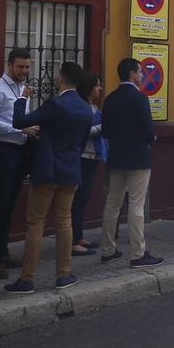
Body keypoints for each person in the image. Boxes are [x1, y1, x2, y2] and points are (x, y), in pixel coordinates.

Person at [4, 62, 95, 293]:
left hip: (47, 170)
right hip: (71, 170)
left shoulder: (55, 104)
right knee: (64, 221)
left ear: (61, 78)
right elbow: (81, 140)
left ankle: (27, 278)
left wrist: (22, 99)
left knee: (36, 223)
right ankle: (63, 275)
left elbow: (19, 122)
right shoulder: (86, 107)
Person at [101, 58, 162, 267]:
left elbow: (106, 130)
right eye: (140, 72)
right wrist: (151, 138)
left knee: (112, 202)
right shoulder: (140, 98)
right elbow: (148, 130)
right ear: (131, 75)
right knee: (136, 204)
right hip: (138, 158)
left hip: (116, 156)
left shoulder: (110, 99)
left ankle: (108, 250)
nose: (142, 75)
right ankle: (138, 254)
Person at [0, 49, 34, 280]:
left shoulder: (23, 89)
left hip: (19, 151)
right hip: (1, 151)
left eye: (27, 67)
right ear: (9, 65)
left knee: (10, 204)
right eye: (20, 67)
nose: (24, 71)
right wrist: (18, 130)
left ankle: (2, 252)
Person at [69, 73, 105, 257]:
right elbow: (83, 131)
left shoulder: (93, 106)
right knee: (78, 198)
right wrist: (102, 127)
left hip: (93, 155)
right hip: (84, 155)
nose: (99, 88)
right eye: (97, 85)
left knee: (84, 198)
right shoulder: (83, 107)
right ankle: (73, 240)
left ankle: (79, 235)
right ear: (88, 88)